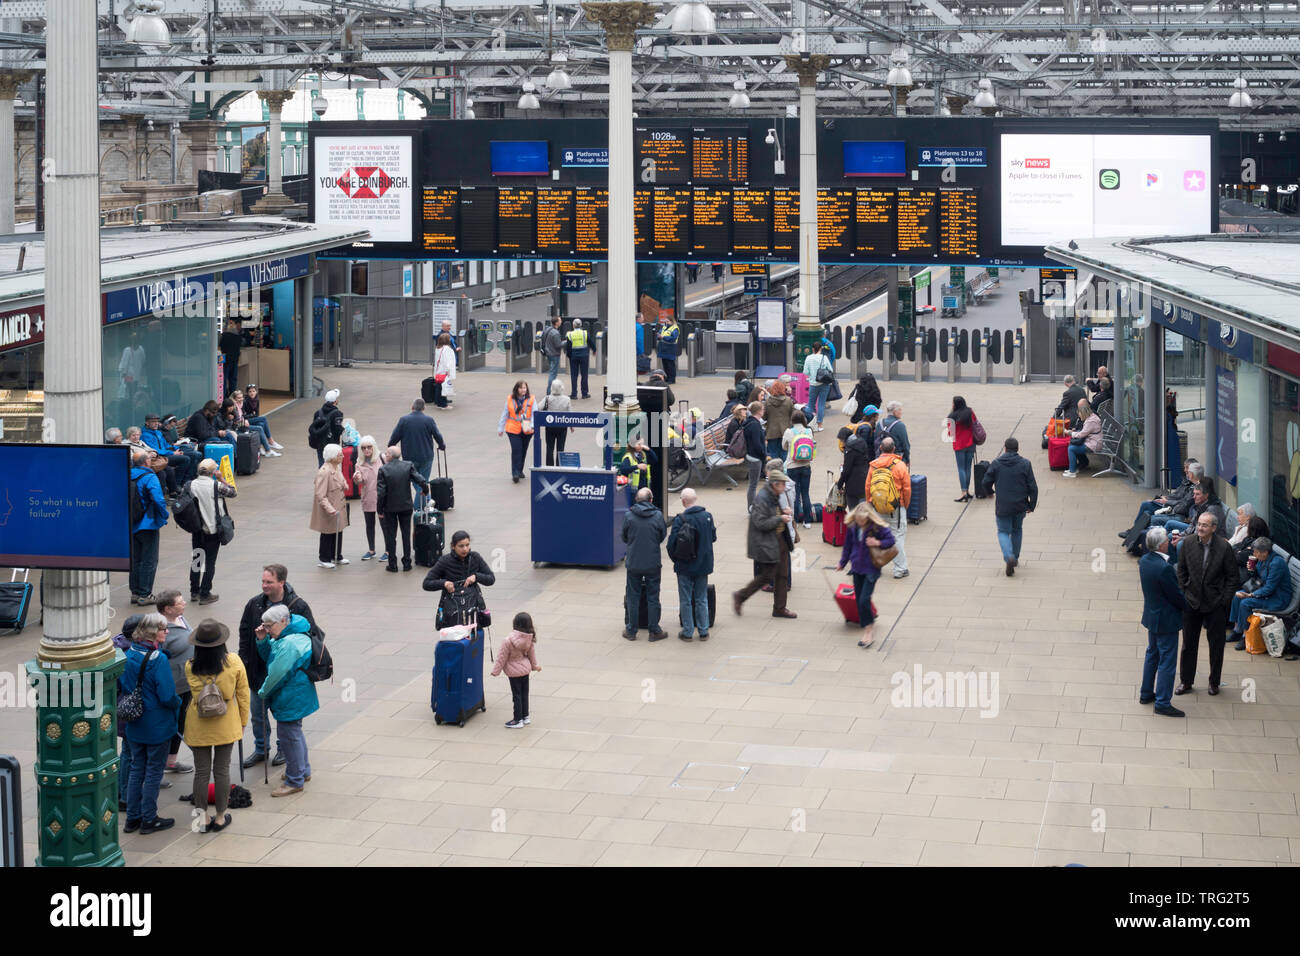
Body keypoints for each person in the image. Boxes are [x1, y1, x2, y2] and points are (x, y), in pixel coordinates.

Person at [237, 565, 317, 769]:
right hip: (258, 672)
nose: (264, 585)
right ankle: (261, 748)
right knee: (258, 715)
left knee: (285, 720)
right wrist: (245, 661)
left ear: (281, 582)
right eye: (263, 581)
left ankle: (285, 752)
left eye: (269, 582)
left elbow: (311, 635)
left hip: (285, 677)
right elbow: (245, 633)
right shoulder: (254, 604)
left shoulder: (297, 605)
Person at [183, 619, 250, 833]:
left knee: (201, 772)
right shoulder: (234, 662)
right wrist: (243, 721)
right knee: (222, 770)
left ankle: (202, 818)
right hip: (226, 722)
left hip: (199, 723)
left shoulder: (190, 666)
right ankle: (220, 816)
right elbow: (243, 694)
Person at [120, 612, 182, 834]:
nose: (167, 632)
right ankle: (149, 818)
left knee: (137, 769)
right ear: (154, 632)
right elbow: (166, 695)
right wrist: (178, 702)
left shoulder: (129, 653)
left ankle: (132, 818)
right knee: (154, 771)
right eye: (164, 628)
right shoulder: (159, 659)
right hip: (157, 725)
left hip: (135, 723)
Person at [255, 604, 319, 797]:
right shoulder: (289, 634)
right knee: (294, 734)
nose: (267, 629)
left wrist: (263, 692)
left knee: (289, 737)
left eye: (269, 626)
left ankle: (294, 780)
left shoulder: (289, 644)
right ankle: (302, 770)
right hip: (296, 693)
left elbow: (276, 672)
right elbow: (272, 657)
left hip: (291, 695)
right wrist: (263, 641)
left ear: (283, 621)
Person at [1175, 511, 1238, 695]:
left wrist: (1224, 601)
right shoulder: (1187, 543)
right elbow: (1181, 570)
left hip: (1214, 604)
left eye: (1204, 525)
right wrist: (1184, 592)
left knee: (1216, 646)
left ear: (1213, 528)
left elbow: (1232, 577)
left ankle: (1214, 683)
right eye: (1199, 524)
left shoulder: (1224, 548)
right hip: (1191, 602)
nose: (1200, 528)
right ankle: (1186, 682)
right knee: (1188, 645)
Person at [733, 469, 797, 619]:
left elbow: (773, 512)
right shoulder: (762, 498)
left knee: (782, 575)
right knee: (767, 576)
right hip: (768, 542)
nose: (785, 488)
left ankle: (780, 608)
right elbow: (761, 522)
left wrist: (783, 511)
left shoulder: (774, 494)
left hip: (780, 539)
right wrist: (781, 518)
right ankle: (740, 596)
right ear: (775, 485)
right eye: (783, 485)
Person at [1138, 526, 1188, 717]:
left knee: (1152, 654)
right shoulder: (1164, 568)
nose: (1169, 542)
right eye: (1167, 541)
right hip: (1166, 620)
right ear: (1160, 546)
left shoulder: (1145, 561)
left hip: (1152, 616)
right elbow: (1175, 595)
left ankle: (1146, 693)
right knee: (1167, 661)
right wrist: (1187, 606)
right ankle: (1162, 702)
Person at [836, 502, 897, 647]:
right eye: (858, 519)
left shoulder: (877, 527)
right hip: (857, 568)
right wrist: (842, 563)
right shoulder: (853, 527)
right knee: (860, 601)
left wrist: (877, 542)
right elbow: (848, 546)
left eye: (862, 520)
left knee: (864, 599)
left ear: (868, 517)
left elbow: (891, 540)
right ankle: (869, 619)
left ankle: (868, 631)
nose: (860, 522)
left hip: (871, 569)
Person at [980, 436, 1038, 577]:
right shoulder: (1025, 464)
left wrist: (990, 493)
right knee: (1017, 530)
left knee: (1003, 532)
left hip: (1003, 505)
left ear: (1005, 449)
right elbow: (1033, 487)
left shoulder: (997, 463)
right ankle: (1015, 558)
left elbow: (985, 481)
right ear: (1017, 449)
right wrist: (1032, 505)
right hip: (1020, 505)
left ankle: (1008, 556)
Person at [668, 488, 717, 642]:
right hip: (703, 565)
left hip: (685, 566)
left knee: (686, 599)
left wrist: (676, 560)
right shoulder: (707, 516)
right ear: (695, 499)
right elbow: (713, 537)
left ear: (683, 501)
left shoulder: (680, 520)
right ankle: (704, 631)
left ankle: (688, 631)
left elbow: (671, 545)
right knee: (701, 598)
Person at [1229, 538, 1294, 650]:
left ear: (1264, 552)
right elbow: (1259, 576)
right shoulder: (1263, 559)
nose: (1253, 554)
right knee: (1237, 596)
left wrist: (1251, 595)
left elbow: (1269, 588)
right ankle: (1237, 630)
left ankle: (1246, 636)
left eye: (1255, 552)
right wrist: (1252, 570)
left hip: (1278, 598)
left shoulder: (1276, 564)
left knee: (1246, 603)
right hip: (1266, 592)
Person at [186, 458, 236, 603]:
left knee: (197, 559)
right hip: (212, 530)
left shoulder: (190, 485)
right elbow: (232, 492)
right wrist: (221, 478)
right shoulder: (217, 485)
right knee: (210, 562)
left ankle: (194, 591)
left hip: (197, 529)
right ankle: (205, 593)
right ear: (213, 472)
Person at [423, 530, 497, 627]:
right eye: (461, 546)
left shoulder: (475, 557)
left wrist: (476, 576)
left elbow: (491, 578)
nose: (465, 549)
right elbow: (427, 583)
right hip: (453, 610)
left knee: (474, 638)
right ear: (453, 546)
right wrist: (444, 583)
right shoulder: (445, 561)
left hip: (473, 608)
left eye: (467, 545)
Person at [621, 487, 668, 641]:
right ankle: (654, 630)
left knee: (632, 597)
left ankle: (631, 630)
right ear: (651, 500)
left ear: (636, 500)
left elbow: (624, 536)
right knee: (653, 596)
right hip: (652, 562)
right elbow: (661, 535)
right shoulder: (658, 516)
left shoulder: (629, 516)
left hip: (634, 562)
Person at [156, 591, 195, 775]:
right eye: (180, 602)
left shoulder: (181, 618)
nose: (185, 604)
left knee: (181, 721)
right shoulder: (160, 629)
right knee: (170, 724)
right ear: (167, 609)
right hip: (173, 686)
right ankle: (158, 763)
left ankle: (171, 762)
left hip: (187, 681)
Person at [376, 446, 431, 572]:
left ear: (390, 455)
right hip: (405, 506)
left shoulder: (383, 470)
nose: (385, 454)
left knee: (391, 536)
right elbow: (420, 479)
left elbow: (381, 493)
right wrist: (425, 490)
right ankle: (407, 563)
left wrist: (379, 510)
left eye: (386, 453)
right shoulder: (407, 465)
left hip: (390, 508)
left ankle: (393, 564)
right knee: (405, 534)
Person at [112, 614, 146, 809]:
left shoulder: (119, 646)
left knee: (128, 752)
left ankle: (122, 789)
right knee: (129, 753)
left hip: (122, 707)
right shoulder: (129, 654)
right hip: (129, 709)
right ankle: (125, 794)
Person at [868, 436, 911, 579]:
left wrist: (870, 503)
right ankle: (900, 569)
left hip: (877, 506)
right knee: (897, 536)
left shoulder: (873, 465)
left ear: (880, 448)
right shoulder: (899, 465)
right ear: (894, 449)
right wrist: (905, 504)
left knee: (878, 535)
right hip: (896, 507)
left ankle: (873, 563)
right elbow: (907, 488)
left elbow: (868, 486)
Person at [130, 447, 169, 606]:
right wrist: (165, 515)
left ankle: (135, 592)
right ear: (147, 462)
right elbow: (158, 499)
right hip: (148, 523)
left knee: (135, 559)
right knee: (149, 559)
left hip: (131, 523)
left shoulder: (127, 475)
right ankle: (145, 594)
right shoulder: (150, 477)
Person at [388, 397, 446, 504]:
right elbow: (437, 435)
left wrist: (390, 448)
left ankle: (419, 508)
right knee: (423, 481)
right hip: (426, 456)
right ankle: (425, 503)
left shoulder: (403, 420)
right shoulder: (429, 420)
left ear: (412, 407)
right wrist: (442, 445)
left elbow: (395, 437)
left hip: (409, 457)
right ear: (423, 408)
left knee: (416, 481)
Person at [491, 611, 541, 729]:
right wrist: (535, 666)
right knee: (524, 694)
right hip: (525, 670)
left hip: (514, 672)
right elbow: (531, 655)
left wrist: (496, 671)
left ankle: (517, 720)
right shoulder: (529, 639)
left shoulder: (508, 640)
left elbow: (501, 658)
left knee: (516, 695)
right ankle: (525, 716)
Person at [1123, 459, 1201, 533]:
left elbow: (1183, 504)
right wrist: (1165, 498)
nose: (1185, 470)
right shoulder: (1186, 482)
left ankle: (1135, 533)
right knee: (1147, 510)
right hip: (1171, 506)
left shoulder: (1194, 488)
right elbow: (1176, 494)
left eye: (1187, 468)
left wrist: (1167, 502)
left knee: (1147, 508)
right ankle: (1135, 532)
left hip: (1173, 509)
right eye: (1185, 467)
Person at [312, 444, 350, 569]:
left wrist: (345, 485)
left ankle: (336, 555)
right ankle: (324, 558)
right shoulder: (324, 472)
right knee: (327, 534)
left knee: (338, 531)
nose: (343, 456)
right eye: (340, 455)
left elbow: (341, 481)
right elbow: (320, 495)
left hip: (338, 506)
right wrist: (330, 509)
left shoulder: (336, 467)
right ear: (333, 457)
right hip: (330, 509)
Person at [142, 412, 200, 484]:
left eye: (157, 421)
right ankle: (178, 483)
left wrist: (176, 449)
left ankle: (187, 480)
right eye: (153, 422)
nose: (156, 423)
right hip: (160, 458)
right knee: (185, 459)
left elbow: (166, 445)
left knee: (194, 454)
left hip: (167, 453)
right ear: (147, 423)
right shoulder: (145, 435)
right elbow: (156, 450)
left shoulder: (158, 432)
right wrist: (173, 453)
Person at [781, 409, 817, 527]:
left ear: (792, 420)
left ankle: (795, 520)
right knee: (805, 493)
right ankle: (807, 521)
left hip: (792, 466)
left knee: (795, 494)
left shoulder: (789, 431)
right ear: (803, 419)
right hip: (806, 466)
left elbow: (784, 447)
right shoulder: (808, 431)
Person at [1165, 478, 1227, 544]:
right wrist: (1181, 535)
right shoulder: (1201, 504)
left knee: (1179, 543)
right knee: (1171, 535)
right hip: (1196, 531)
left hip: (1210, 540)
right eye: (1194, 494)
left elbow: (1204, 533)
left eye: (1197, 494)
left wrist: (1182, 539)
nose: (1194, 497)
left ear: (1206, 495)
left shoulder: (1212, 509)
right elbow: (1193, 525)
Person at [498, 380, 535, 484]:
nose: (523, 390)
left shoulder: (531, 399)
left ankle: (520, 470)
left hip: (527, 428)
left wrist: (532, 425)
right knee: (516, 449)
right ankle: (515, 473)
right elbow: (505, 414)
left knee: (523, 449)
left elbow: (534, 414)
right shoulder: (510, 399)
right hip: (513, 428)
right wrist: (500, 428)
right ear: (516, 389)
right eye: (521, 388)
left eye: (525, 388)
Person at [353, 436, 383, 561]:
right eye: (363, 448)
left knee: (385, 525)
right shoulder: (359, 463)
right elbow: (359, 482)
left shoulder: (382, 458)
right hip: (368, 497)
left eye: (369, 447)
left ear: (374, 447)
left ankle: (388, 550)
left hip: (382, 497)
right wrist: (357, 478)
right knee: (369, 525)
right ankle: (371, 550)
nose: (366, 450)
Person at [837, 419, 876, 512]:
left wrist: (839, 484)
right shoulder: (861, 442)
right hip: (865, 479)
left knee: (854, 513)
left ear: (844, 438)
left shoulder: (849, 449)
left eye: (841, 440)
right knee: (864, 512)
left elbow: (846, 470)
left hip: (853, 484)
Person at [227, 390, 277, 457]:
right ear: (234, 399)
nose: (241, 399)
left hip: (243, 424)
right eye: (238, 398)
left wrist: (245, 420)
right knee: (260, 427)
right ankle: (268, 449)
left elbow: (242, 416)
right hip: (237, 428)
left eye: (242, 397)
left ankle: (261, 448)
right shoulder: (233, 407)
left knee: (261, 425)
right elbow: (234, 424)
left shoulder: (240, 404)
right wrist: (244, 422)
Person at [1228, 504, 1270, 583]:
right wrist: (1238, 551)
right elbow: (1235, 547)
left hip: (1244, 575)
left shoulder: (1258, 545)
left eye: (1248, 527)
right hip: (1240, 569)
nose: (1246, 529)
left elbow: (1239, 558)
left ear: (1253, 530)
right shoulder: (1249, 539)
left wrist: (1239, 551)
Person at [1062, 398, 1103, 478]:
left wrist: (1069, 432)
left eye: (1079, 414)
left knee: (1072, 448)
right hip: (1093, 441)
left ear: (1083, 413)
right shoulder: (1091, 417)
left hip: (1094, 445)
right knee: (1074, 445)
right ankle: (1079, 465)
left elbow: (1081, 434)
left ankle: (1072, 471)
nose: (1079, 416)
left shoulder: (1090, 421)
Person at [948, 396, 977, 502]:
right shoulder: (970, 412)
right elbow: (975, 424)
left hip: (959, 445)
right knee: (968, 468)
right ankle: (968, 491)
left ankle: (963, 492)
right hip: (970, 444)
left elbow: (950, 433)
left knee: (961, 468)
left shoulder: (952, 416)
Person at [537, 379, 572, 466]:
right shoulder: (567, 399)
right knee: (560, 448)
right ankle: (559, 466)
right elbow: (570, 413)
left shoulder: (547, 398)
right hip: (562, 426)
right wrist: (571, 425)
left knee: (549, 448)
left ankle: (549, 466)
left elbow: (538, 408)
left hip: (550, 426)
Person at [740, 401, 767, 510]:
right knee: (753, 485)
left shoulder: (750, 422)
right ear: (759, 411)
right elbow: (757, 444)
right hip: (755, 457)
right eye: (763, 409)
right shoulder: (755, 425)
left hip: (751, 455)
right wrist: (764, 455)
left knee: (752, 484)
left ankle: (752, 506)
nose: (764, 411)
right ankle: (751, 507)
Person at [241, 384, 284, 450]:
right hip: (245, 421)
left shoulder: (257, 400)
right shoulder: (245, 401)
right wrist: (252, 415)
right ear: (247, 393)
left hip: (253, 419)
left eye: (253, 391)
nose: (252, 393)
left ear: (256, 392)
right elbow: (243, 415)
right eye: (250, 391)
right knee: (263, 418)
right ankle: (270, 441)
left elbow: (257, 414)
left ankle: (260, 446)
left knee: (261, 424)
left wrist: (252, 415)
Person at [618, 437, 658, 505]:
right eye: (639, 444)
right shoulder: (628, 457)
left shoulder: (643, 455)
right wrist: (637, 466)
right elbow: (623, 470)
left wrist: (649, 450)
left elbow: (655, 460)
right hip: (633, 491)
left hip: (644, 488)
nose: (641, 446)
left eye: (642, 444)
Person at [803, 342, 834, 431]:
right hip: (824, 384)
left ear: (813, 349)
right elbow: (830, 370)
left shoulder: (808, 358)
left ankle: (809, 423)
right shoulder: (824, 358)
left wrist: (812, 375)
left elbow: (805, 372)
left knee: (810, 404)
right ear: (820, 349)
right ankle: (819, 425)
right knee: (821, 404)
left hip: (813, 384)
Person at [310, 389, 344, 467]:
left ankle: (322, 478)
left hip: (320, 444)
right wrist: (344, 430)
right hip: (332, 445)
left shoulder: (318, 413)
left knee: (322, 466)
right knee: (333, 467)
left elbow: (314, 427)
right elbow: (338, 430)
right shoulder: (337, 413)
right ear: (335, 401)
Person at [763, 378, 794, 461]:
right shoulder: (788, 401)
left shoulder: (768, 401)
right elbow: (793, 414)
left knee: (773, 454)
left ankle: (774, 472)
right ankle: (783, 472)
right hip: (785, 430)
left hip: (771, 432)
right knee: (784, 453)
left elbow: (764, 417)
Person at [878, 401, 911, 465]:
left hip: (881, 459)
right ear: (895, 412)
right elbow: (905, 445)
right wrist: (907, 459)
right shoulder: (900, 425)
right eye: (900, 410)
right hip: (896, 460)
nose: (901, 412)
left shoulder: (879, 424)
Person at [566, 318, 591, 399]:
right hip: (584, 356)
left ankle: (574, 394)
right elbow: (590, 342)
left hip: (574, 356)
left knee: (574, 375)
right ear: (581, 325)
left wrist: (569, 356)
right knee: (584, 375)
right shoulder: (585, 333)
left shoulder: (570, 334)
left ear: (573, 325)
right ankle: (584, 393)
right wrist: (594, 350)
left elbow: (568, 347)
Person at [432, 332, 457, 409]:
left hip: (438, 371)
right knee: (444, 387)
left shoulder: (438, 348)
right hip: (444, 371)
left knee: (439, 387)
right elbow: (447, 361)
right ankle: (443, 404)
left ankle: (439, 402)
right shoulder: (447, 349)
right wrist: (448, 371)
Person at [218, 320, 242, 398]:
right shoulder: (238, 337)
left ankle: (224, 396)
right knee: (233, 379)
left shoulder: (224, 336)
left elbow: (221, 346)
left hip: (226, 360)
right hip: (234, 360)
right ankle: (233, 395)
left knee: (224, 380)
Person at [541, 316, 565, 395]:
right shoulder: (555, 333)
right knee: (553, 373)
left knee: (552, 372)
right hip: (554, 354)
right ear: (557, 323)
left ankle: (551, 390)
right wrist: (567, 341)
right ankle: (549, 391)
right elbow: (558, 345)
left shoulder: (548, 329)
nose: (561, 321)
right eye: (560, 320)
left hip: (548, 353)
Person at [657, 315, 681, 384]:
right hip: (663, 348)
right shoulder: (664, 327)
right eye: (666, 321)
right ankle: (667, 378)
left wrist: (663, 337)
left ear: (672, 321)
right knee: (665, 364)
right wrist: (659, 336)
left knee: (670, 365)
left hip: (670, 348)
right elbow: (659, 333)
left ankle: (672, 379)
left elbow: (673, 338)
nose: (666, 322)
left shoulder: (675, 328)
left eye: (668, 321)